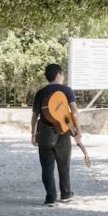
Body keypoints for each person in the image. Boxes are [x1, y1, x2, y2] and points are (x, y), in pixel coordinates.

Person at [30, 63, 82, 206]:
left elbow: (35, 115)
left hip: (45, 132)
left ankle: (50, 198)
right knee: (63, 164)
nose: (63, 77)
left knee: (47, 166)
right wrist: (78, 130)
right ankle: (65, 193)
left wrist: (33, 134)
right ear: (58, 75)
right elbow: (75, 111)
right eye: (63, 74)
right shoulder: (67, 90)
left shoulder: (40, 92)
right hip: (63, 132)